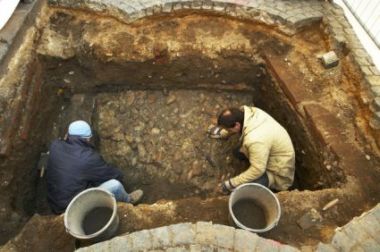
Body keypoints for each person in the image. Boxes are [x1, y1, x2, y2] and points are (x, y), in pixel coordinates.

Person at [46, 120, 143, 214]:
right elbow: (112, 175)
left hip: (54, 202)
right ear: (87, 139)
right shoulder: (88, 158)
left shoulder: (55, 145)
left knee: (85, 175)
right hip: (71, 208)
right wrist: (121, 176)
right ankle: (128, 200)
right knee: (115, 185)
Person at [216, 106, 295, 193]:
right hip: (268, 147)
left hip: (278, 170)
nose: (227, 130)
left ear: (237, 125)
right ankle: (255, 161)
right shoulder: (250, 112)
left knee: (244, 191)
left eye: (227, 129)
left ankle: (271, 185)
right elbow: (234, 127)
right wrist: (224, 134)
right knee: (237, 152)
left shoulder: (254, 140)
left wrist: (231, 183)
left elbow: (258, 170)